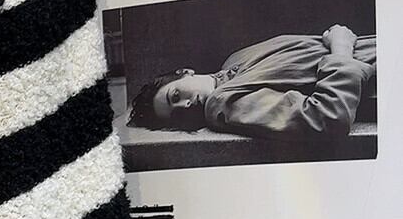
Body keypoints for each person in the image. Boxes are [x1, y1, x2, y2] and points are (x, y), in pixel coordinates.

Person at [127, 24, 377, 139]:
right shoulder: (221, 104)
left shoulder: (235, 59)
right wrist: (341, 47)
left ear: (185, 72)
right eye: (178, 116)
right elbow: (327, 117)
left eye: (175, 96)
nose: (186, 105)